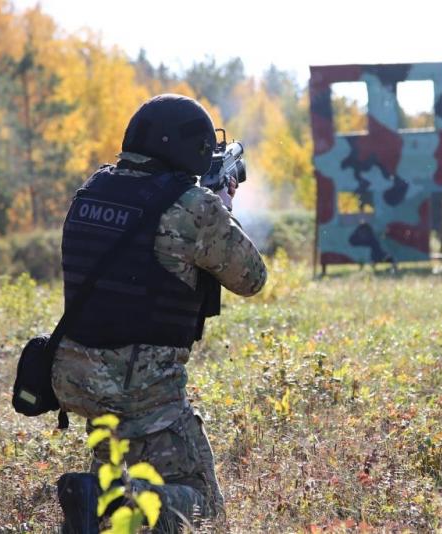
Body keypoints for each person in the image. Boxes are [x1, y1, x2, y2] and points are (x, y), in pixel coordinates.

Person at [51, 94, 267, 531]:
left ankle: (98, 498)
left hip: (74, 376)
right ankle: (111, 505)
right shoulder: (194, 207)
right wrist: (222, 208)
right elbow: (252, 278)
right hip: (140, 384)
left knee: (118, 455)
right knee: (204, 507)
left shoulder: (90, 191)